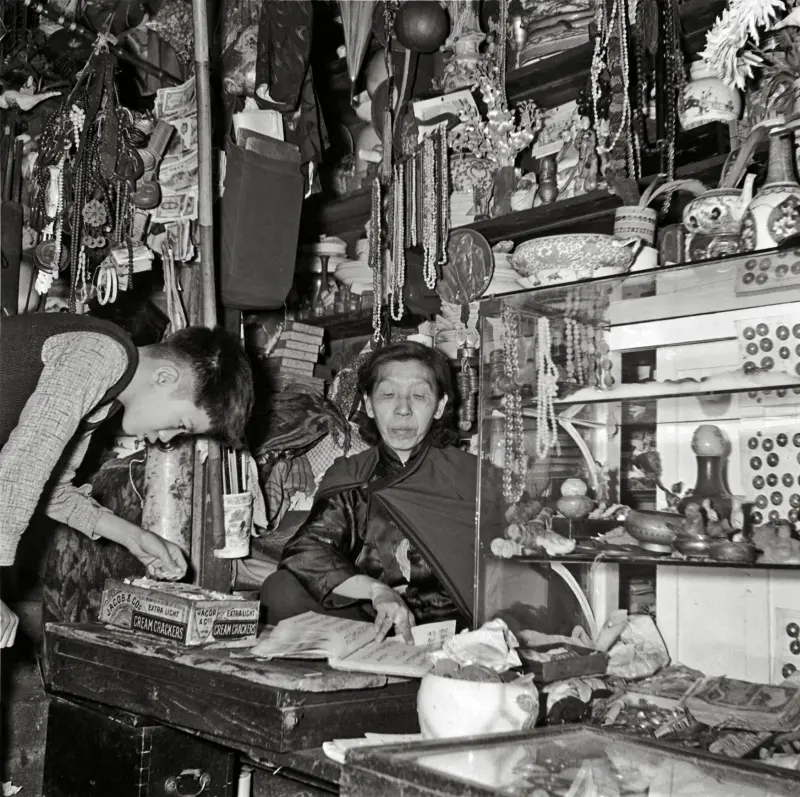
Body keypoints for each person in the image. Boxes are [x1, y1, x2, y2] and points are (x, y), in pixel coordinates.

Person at [0, 312, 254, 647]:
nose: (167, 439)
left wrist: (134, 537)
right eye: (181, 423)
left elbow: (53, 493)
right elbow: (21, 471)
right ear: (164, 377)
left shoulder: (104, 398)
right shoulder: (100, 353)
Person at [261, 340, 492, 643]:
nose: (403, 409)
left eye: (419, 395)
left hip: (455, 629)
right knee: (281, 589)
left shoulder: (472, 476)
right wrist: (375, 591)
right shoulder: (352, 475)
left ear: (439, 407)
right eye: (388, 394)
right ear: (369, 405)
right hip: (376, 621)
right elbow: (307, 550)